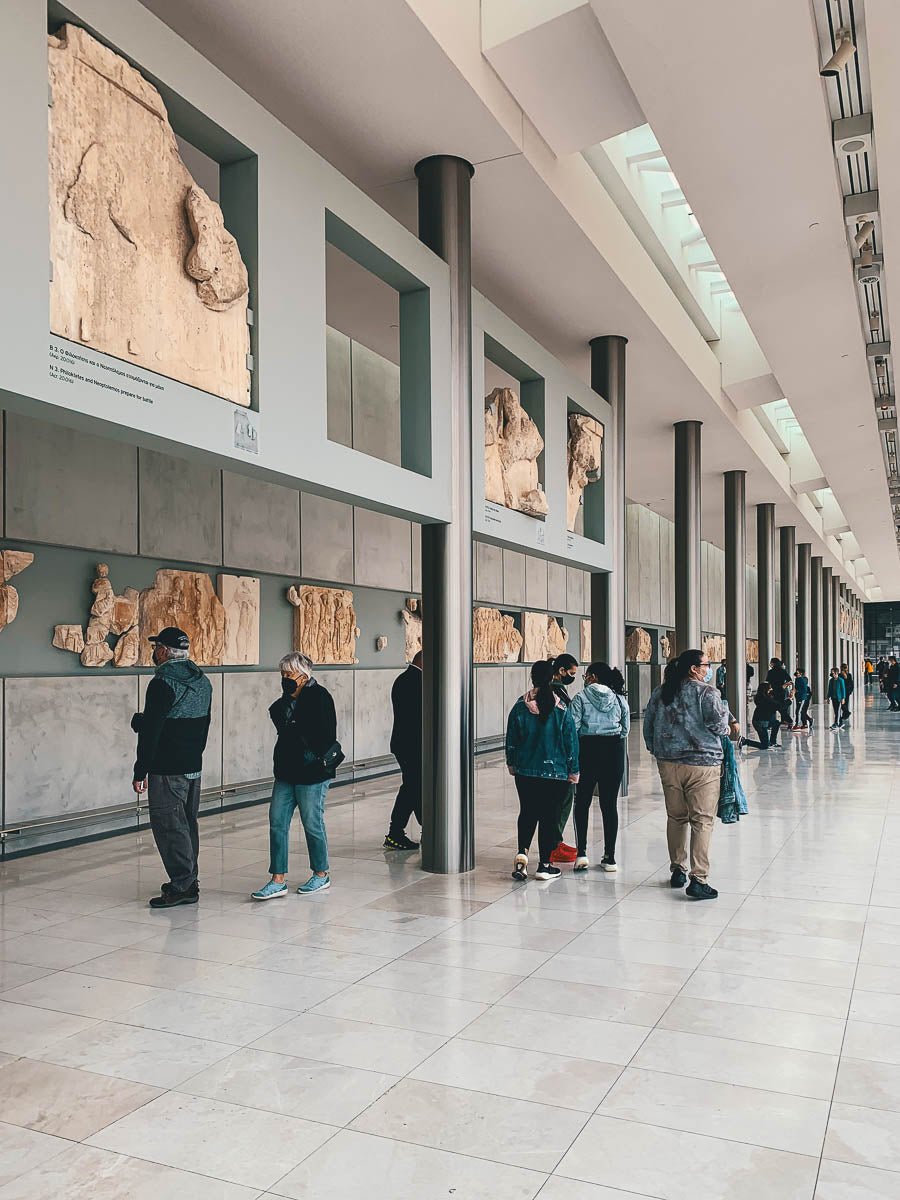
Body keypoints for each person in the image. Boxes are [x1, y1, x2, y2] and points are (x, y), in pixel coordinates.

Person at [643, 648, 734, 901]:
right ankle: (699, 878)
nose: (708, 669)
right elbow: (718, 726)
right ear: (694, 668)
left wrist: (658, 750)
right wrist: (728, 724)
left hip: (668, 762)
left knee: (676, 817)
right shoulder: (708, 693)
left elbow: (648, 727)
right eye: (705, 665)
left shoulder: (661, 692)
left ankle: (678, 869)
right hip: (703, 763)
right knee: (702, 820)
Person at [131, 627, 212, 909]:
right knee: (187, 823)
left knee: (168, 825)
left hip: (166, 767)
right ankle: (189, 878)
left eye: (156, 648)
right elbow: (195, 723)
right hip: (192, 764)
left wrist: (140, 769)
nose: (154, 652)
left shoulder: (163, 683)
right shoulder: (202, 681)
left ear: (165, 651)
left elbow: (152, 731)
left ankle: (182, 885)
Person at [252, 653, 339, 899]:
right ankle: (277, 878)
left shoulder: (320, 697)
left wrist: (295, 725)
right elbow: (282, 727)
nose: (285, 679)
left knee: (312, 822)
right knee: (277, 821)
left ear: (303, 676)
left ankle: (321, 874)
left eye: (289, 675)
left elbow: (324, 735)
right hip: (286, 771)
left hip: (312, 772)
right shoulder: (286, 700)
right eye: (282, 675)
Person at [506, 660, 579, 883]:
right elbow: (570, 742)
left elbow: (511, 740)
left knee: (527, 813)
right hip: (555, 773)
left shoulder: (520, 706)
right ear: (552, 678)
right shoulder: (561, 708)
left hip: (525, 772)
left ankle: (522, 855)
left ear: (532, 678)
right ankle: (545, 865)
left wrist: (513, 763)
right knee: (549, 817)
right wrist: (573, 770)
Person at [569, 662, 629, 873]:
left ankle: (582, 853)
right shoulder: (619, 699)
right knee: (609, 804)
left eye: (586, 675)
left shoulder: (580, 698)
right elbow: (625, 729)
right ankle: (609, 856)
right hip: (612, 752)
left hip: (587, 751)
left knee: (582, 801)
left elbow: (573, 728)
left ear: (592, 677)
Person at [383, 651, 422, 850]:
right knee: (412, 787)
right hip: (412, 745)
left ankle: (403, 830)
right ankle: (395, 832)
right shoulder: (417, 682)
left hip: (405, 744)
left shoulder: (404, 679)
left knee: (414, 785)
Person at [548, 653, 580, 865]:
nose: (572, 677)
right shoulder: (555, 692)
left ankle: (554, 841)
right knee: (561, 800)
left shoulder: (554, 690)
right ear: (560, 670)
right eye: (571, 673)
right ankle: (553, 843)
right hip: (557, 755)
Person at [741, 682, 781, 750]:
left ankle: (772, 742)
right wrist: (789, 699)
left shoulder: (762, 697)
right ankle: (745, 741)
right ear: (766, 689)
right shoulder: (765, 699)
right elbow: (778, 706)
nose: (771, 689)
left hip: (764, 721)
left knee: (776, 723)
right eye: (769, 688)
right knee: (764, 746)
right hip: (761, 723)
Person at [765, 657, 793, 726]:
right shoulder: (783, 671)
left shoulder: (770, 672)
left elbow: (768, 682)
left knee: (774, 707)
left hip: (773, 691)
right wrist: (785, 685)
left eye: (771, 662)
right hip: (781, 691)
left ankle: (788, 720)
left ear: (773, 663)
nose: (770, 664)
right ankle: (786, 720)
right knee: (780, 706)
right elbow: (789, 680)